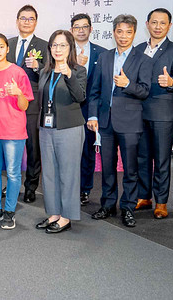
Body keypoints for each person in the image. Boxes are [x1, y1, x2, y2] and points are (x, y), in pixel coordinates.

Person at [87, 14, 152, 228]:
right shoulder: (104, 57)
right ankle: (107, 205)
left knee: (130, 169)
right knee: (108, 168)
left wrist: (127, 84)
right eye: (120, 31)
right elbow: (95, 91)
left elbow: (145, 91)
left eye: (128, 32)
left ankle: (128, 207)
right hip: (105, 122)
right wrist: (93, 115)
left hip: (130, 123)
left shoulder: (143, 60)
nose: (123, 36)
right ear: (114, 32)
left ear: (134, 33)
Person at [135, 8, 173, 219]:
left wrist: (172, 82)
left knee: (162, 160)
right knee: (142, 157)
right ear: (147, 24)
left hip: (163, 113)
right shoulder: (138, 48)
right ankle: (144, 196)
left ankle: (161, 202)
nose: (157, 26)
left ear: (169, 26)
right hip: (139, 111)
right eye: (154, 22)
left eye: (162, 23)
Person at [35, 30, 87, 234]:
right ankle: (54, 214)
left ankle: (66, 216)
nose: (58, 49)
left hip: (69, 128)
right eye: (54, 45)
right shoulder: (45, 71)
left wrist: (69, 75)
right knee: (49, 174)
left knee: (68, 173)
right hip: (46, 128)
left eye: (62, 45)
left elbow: (80, 97)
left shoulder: (78, 71)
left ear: (70, 47)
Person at [0, 33, 33, 229]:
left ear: (7, 49)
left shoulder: (18, 73)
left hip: (13, 131)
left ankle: (10, 211)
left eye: (1, 47)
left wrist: (18, 93)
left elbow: (25, 105)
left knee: (12, 172)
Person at [6, 5, 49, 204]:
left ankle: (31, 186)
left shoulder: (44, 45)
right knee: (9, 146)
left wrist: (39, 67)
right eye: (23, 18)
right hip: (7, 103)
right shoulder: (8, 44)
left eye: (31, 19)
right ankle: (11, 183)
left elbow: (50, 74)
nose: (26, 22)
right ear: (17, 21)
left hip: (32, 103)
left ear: (36, 22)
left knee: (33, 147)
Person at [70, 13, 107, 206]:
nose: (81, 30)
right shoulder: (64, 51)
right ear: (71, 30)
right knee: (69, 151)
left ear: (91, 29)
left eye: (85, 26)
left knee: (87, 151)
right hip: (69, 108)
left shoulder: (102, 53)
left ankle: (85, 189)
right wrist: (76, 66)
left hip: (90, 110)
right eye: (77, 27)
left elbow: (101, 85)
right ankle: (69, 188)